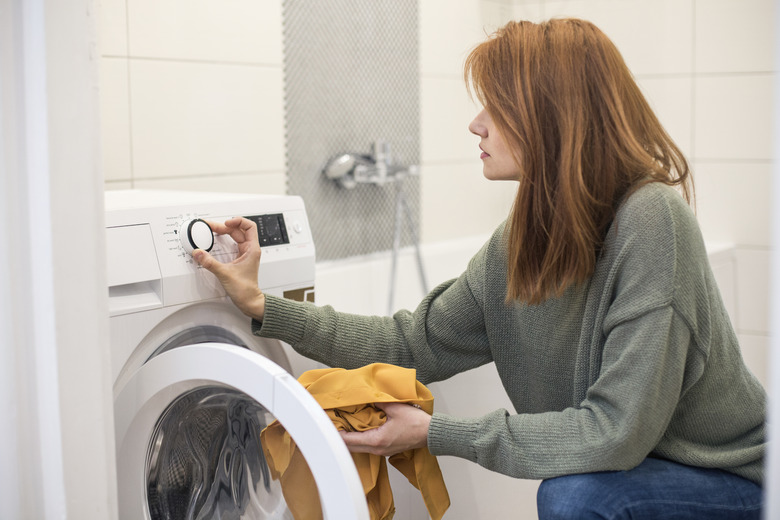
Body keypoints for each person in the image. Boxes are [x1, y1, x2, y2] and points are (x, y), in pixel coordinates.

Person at [192, 18, 765, 519]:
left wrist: (438, 434)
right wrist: (265, 306)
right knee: (579, 493)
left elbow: (615, 433)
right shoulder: (522, 240)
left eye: (496, 105)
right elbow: (410, 342)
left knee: (576, 498)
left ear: (552, 115)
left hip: (737, 481)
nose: (476, 124)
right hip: (635, 470)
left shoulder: (650, 220)